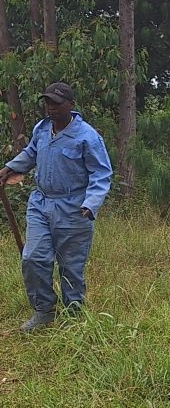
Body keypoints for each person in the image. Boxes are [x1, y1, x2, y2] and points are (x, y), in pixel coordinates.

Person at [0, 82, 113, 333]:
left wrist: (91, 203)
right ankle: (44, 311)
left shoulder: (87, 136)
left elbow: (101, 173)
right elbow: (30, 153)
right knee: (33, 257)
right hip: (41, 203)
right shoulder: (42, 128)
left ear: (71, 105)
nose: (51, 108)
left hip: (73, 207)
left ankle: (74, 314)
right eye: (48, 103)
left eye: (57, 103)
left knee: (71, 265)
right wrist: (10, 168)